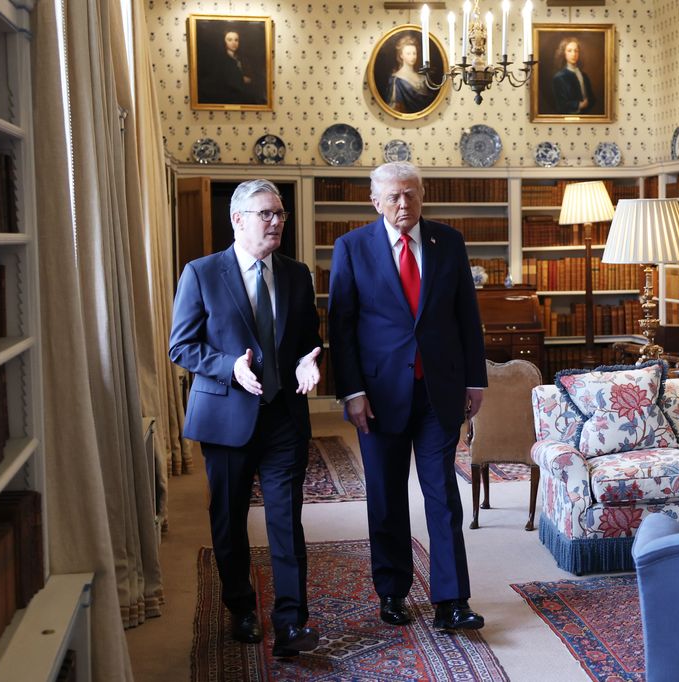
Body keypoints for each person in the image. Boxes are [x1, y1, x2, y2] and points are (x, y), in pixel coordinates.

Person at [327, 161, 488, 631]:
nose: (404, 204)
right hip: (377, 396)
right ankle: (393, 592)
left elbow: (465, 317)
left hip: (439, 391)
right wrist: (352, 391)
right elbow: (342, 327)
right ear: (375, 201)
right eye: (394, 196)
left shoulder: (448, 242)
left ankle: (452, 600)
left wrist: (474, 380)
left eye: (411, 195)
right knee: (386, 495)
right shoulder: (352, 248)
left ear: (422, 196)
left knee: (443, 497)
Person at [169, 179, 323, 657]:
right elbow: (182, 345)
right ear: (237, 219)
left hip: (283, 416)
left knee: (285, 520)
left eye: (280, 213)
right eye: (266, 214)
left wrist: (306, 362)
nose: (276, 221)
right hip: (226, 417)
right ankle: (241, 608)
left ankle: (292, 622)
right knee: (230, 519)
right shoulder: (201, 273)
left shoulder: (297, 275)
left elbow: (306, 341)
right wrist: (227, 365)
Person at [203, 28, 265, 104]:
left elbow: (251, 77)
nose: (234, 43)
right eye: (229, 40)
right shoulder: (220, 60)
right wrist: (241, 79)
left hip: (243, 97)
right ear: (224, 42)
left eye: (236, 40)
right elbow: (221, 80)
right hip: (227, 98)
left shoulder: (242, 58)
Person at [385, 34, 436, 114]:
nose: (412, 57)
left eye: (414, 53)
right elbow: (394, 108)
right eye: (408, 53)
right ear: (401, 55)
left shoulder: (422, 77)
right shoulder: (396, 80)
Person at [551, 36, 596, 114]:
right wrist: (579, 105)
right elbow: (561, 105)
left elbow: (592, 99)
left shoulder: (584, 76)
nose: (573, 54)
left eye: (576, 51)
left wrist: (588, 103)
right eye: (569, 51)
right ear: (564, 53)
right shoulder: (559, 77)